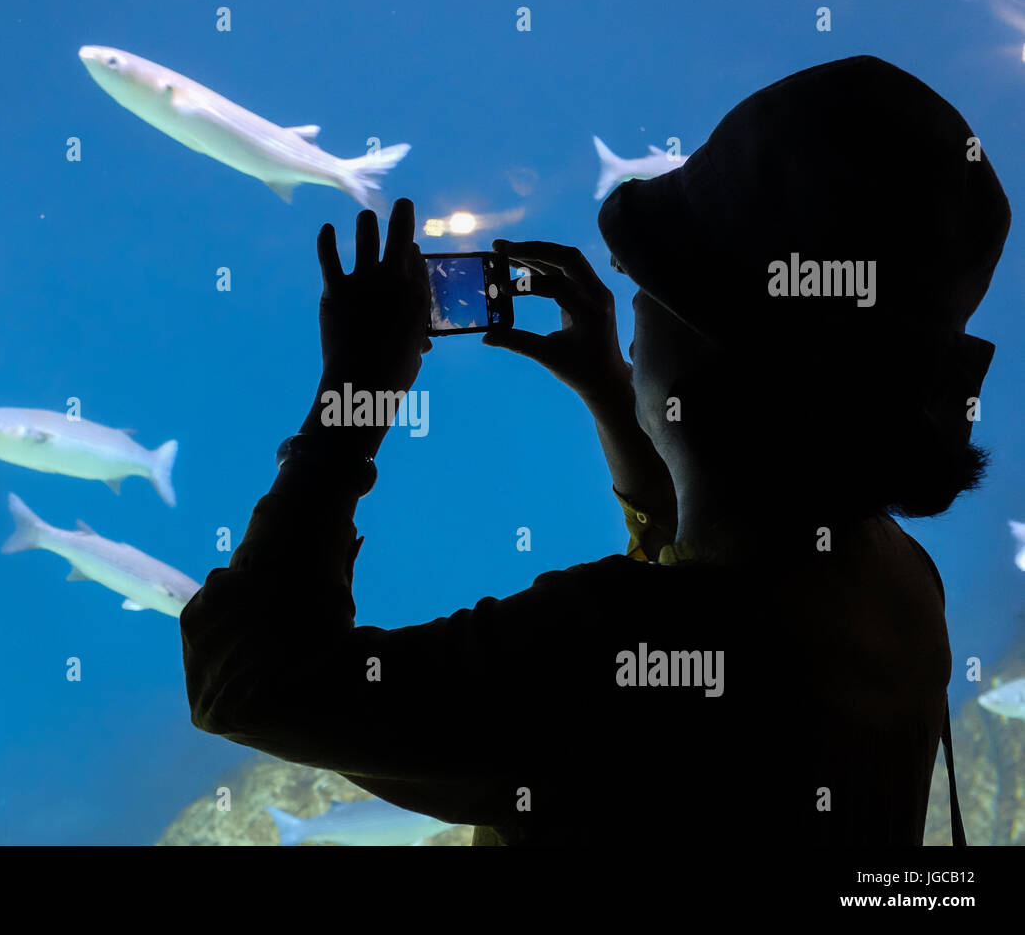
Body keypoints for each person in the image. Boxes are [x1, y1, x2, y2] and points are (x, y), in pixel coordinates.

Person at [180, 55, 1011, 846]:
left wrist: (351, 404)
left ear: (709, 350)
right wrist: (620, 399)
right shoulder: (894, 583)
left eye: (649, 283)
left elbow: (246, 676)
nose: (631, 306)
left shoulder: (595, 656)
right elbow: (711, 568)